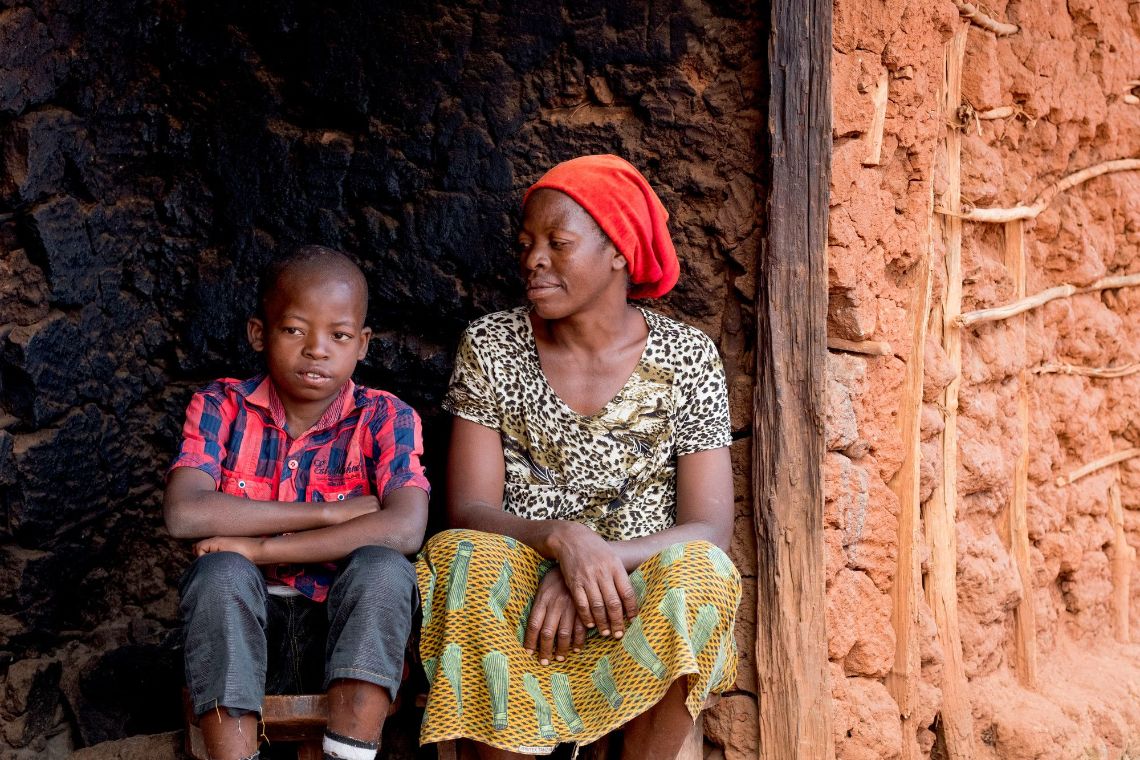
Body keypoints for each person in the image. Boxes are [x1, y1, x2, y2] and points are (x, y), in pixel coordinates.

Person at [417, 155, 740, 760]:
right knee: (461, 556)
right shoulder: (491, 344)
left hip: (633, 594)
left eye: (558, 242)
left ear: (618, 250)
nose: (533, 259)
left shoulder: (686, 355)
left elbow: (710, 528)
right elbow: (469, 507)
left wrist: (596, 560)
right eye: (527, 243)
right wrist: (561, 542)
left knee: (704, 573)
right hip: (522, 591)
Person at [164, 245, 430, 760]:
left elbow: (404, 528)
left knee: (384, 569)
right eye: (294, 330)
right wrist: (328, 513)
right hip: (242, 635)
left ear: (363, 344)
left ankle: (349, 751)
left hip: (344, 640)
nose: (317, 349)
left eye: (340, 335)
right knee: (219, 573)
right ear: (259, 333)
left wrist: (257, 548)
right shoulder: (222, 405)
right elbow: (186, 511)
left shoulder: (385, 417)